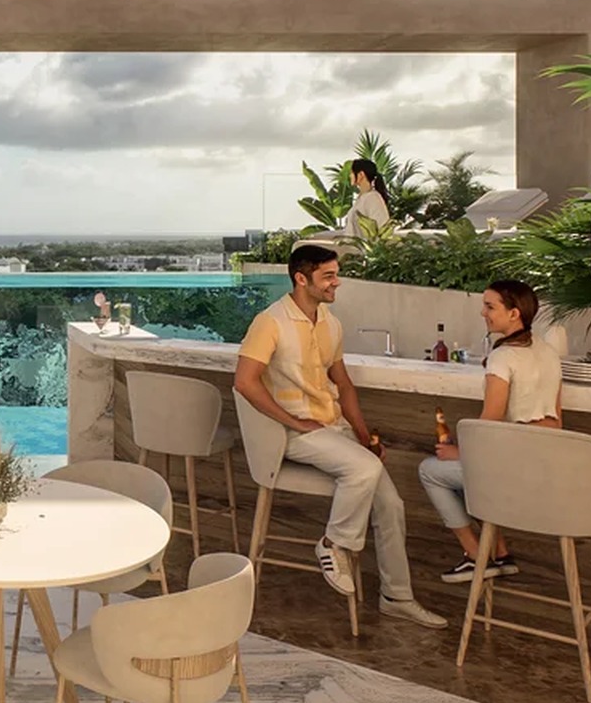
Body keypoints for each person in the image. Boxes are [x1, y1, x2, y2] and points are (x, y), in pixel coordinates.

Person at [232, 244, 448, 629]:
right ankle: (334, 544)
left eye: (336, 274)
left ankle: (397, 597)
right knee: (363, 471)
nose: (337, 282)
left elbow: (343, 384)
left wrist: (364, 436)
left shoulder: (330, 323)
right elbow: (245, 382)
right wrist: (293, 422)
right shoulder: (270, 322)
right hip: (294, 433)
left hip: (333, 429)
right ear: (302, 279)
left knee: (391, 506)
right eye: (328, 276)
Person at [418, 280, 564, 582]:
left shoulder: (502, 358)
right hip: (549, 468)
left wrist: (457, 452)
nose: (482, 312)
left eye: (490, 306)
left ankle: (476, 555)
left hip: (512, 471)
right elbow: (557, 418)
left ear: (514, 313)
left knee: (431, 470)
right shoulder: (548, 352)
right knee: (478, 474)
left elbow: (489, 426)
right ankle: (499, 551)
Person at [346, 157, 392, 237]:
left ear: (361, 175)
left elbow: (382, 228)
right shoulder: (362, 197)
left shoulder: (373, 198)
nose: (350, 176)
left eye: (352, 173)